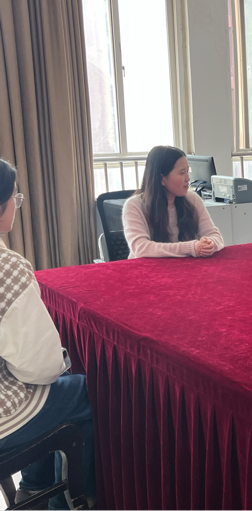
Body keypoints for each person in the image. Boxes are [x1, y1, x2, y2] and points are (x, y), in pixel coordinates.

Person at [0, 158, 95, 510]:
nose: (17, 204)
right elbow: (41, 368)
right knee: (81, 391)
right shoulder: (8, 267)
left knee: (46, 392)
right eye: (16, 198)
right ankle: (72, 502)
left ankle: (34, 489)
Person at [123, 145, 224, 258]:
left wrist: (209, 244)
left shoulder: (192, 199)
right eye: (182, 173)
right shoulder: (134, 206)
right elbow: (141, 248)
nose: (188, 178)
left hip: (186, 266)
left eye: (187, 171)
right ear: (162, 178)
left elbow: (214, 235)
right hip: (148, 267)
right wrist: (190, 248)